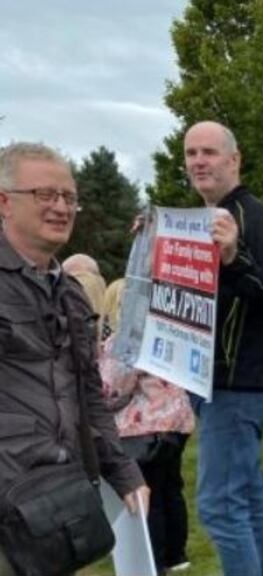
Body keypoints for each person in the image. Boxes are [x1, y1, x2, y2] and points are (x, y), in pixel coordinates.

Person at [0, 142, 148, 574]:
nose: (61, 207)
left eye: (69, 197)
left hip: (56, 505)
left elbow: (88, 395)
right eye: (45, 195)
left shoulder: (69, 293)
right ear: (4, 202)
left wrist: (123, 471)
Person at [184, 121, 263, 576]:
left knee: (219, 507)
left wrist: (235, 258)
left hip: (241, 384)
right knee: (247, 495)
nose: (198, 161)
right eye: (191, 153)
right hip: (214, 379)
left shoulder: (256, 218)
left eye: (209, 152)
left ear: (235, 159)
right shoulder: (204, 221)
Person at [99, 279, 195, 574]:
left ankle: (155, 557)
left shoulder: (127, 337)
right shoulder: (171, 330)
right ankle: (177, 553)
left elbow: (113, 387)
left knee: (145, 493)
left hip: (143, 426)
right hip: (178, 420)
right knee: (171, 488)